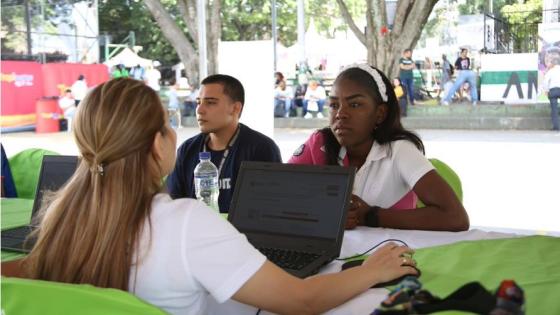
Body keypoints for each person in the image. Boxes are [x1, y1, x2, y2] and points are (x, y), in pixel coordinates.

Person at [5, 78, 417, 315]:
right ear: (155, 144)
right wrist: (372, 270)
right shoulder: (183, 223)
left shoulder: (64, 215)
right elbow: (302, 300)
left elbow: (25, 274)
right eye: (169, 125)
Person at [289, 64, 469, 232]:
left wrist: (369, 216)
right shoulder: (319, 144)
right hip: (332, 261)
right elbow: (277, 199)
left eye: (355, 104)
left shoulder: (399, 150)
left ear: (380, 114)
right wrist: (321, 214)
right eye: (334, 105)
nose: (340, 114)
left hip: (389, 258)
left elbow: (455, 218)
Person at [167, 74, 282, 213]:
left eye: (210, 102)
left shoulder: (261, 148)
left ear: (235, 108)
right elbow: (174, 205)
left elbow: (270, 210)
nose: (199, 110)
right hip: (195, 232)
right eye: (198, 102)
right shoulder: (187, 149)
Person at [543, 56, 560, 131]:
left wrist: (546, 91)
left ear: (553, 64)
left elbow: (545, 82)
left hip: (553, 90)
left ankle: (556, 127)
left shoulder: (550, 71)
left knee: (554, 109)